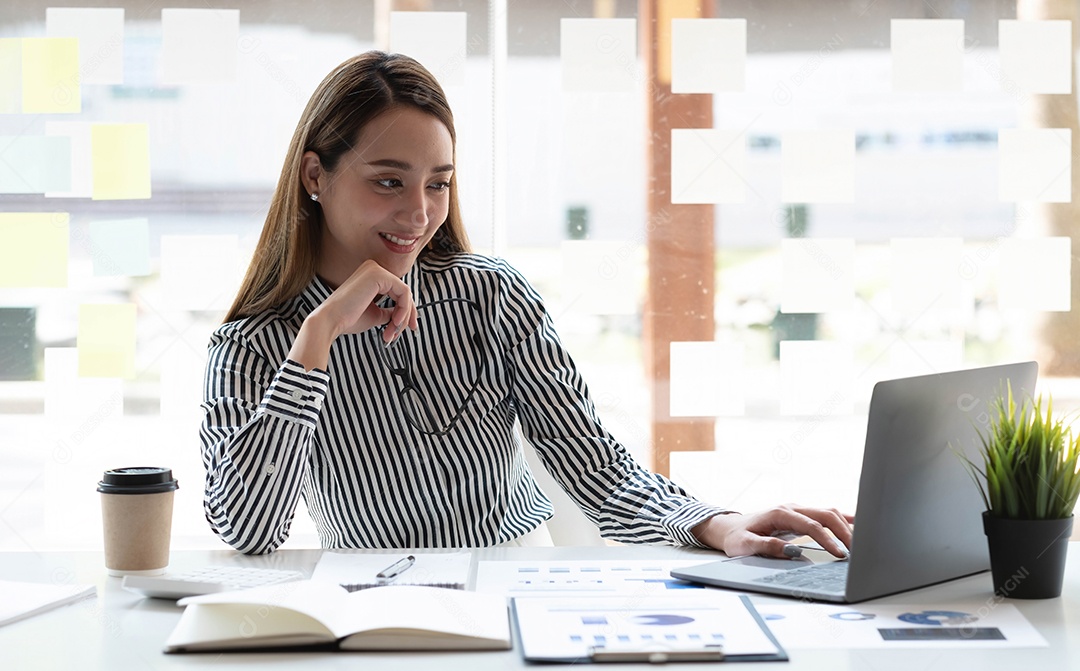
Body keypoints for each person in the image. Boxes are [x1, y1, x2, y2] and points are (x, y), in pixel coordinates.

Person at [200, 50, 853, 557]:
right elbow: (249, 529)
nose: (419, 212)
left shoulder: (491, 295)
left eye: (439, 183)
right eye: (389, 182)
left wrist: (717, 522)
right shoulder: (252, 342)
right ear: (316, 176)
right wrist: (317, 337)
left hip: (516, 582)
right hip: (373, 606)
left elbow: (595, 467)